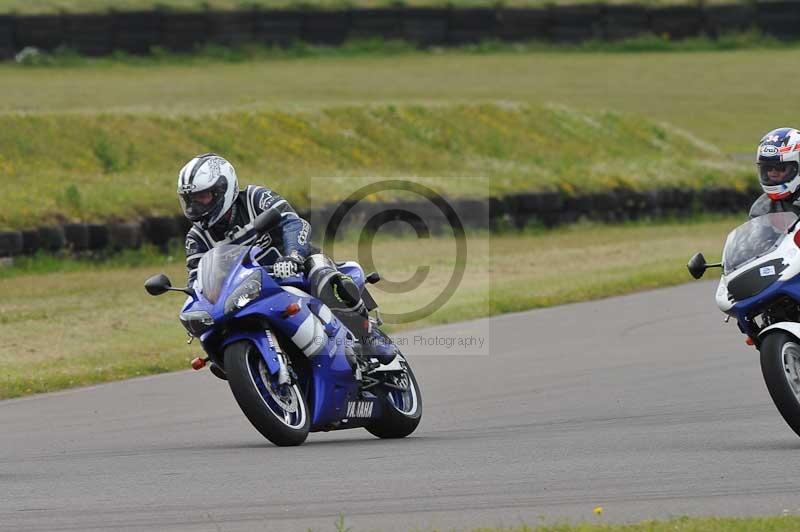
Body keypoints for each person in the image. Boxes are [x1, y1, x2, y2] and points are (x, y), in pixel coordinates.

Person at [177, 153, 396, 373]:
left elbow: (294, 224)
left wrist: (292, 256)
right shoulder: (196, 238)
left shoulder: (256, 198)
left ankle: (368, 335)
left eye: (202, 197)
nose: (195, 206)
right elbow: (198, 278)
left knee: (320, 272)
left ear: (223, 189)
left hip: (295, 268)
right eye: (190, 200)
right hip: (251, 288)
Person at [749, 128, 800, 218]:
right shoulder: (762, 207)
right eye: (767, 168)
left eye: (780, 168)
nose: (773, 173)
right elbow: (754, 231)